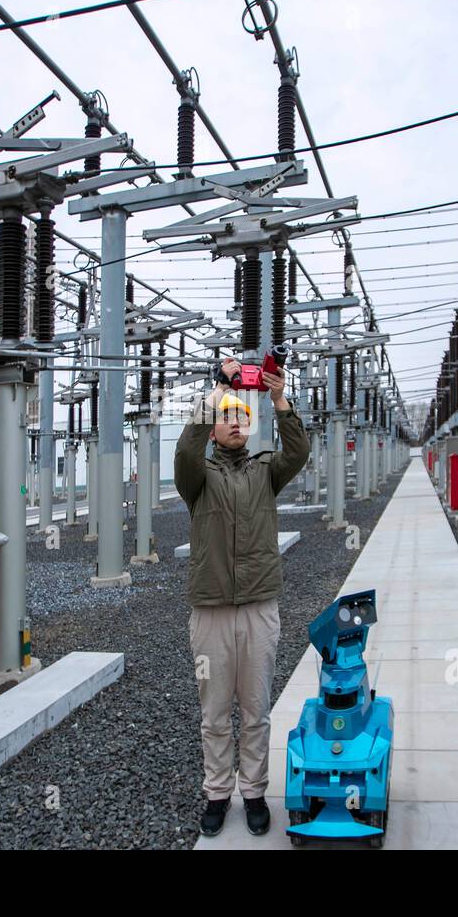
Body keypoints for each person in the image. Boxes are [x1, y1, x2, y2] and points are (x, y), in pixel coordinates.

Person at [173, 356, 310, 836]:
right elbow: (185, 452)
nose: (235, 422)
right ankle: (217, 793)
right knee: (214, 713)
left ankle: (253, 791)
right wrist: (218, 389)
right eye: (226, 416)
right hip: (210, 611)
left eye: (241, 416)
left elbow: (299, 451)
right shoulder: (198, 478)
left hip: (258, 609)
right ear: (213, 428)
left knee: (256, 710)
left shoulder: (265, 471)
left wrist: (279, 399)